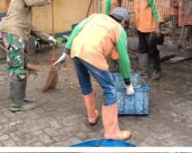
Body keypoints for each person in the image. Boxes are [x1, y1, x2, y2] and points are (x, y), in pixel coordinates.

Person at [54, 7, 134, 140]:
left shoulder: (95, 16)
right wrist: (128, 82)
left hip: (76, 49)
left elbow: (75, 30)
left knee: (85, 84)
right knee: (110, 90)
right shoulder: (119, 29)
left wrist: (66, 51)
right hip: (92, 52)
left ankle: (92, 116)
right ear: (124, 20)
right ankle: (112, 132)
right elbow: (124, 59)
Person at [0, 0, 56, 112]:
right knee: (17, 67)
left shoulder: (24, 6)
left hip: (17, 33)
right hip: (14, 33)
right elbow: (33, 0)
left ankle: (20, 98)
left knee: (20, 66)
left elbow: (30, 27)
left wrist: (47, 38)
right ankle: (16, 104)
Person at [129, 0, 164, 80]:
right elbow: (137, 12)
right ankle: (143, 71)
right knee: (142, 49)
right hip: (141, 28)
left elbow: (156, 10)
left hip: (151, 28)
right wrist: (135, 26)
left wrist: (158, 27)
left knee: (152, 50)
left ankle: (156, 70)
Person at [92, 0, 119, 72]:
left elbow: (104, 17)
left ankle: (112, 68)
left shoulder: (105, 1)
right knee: (115, 48)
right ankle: (115, 66)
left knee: (110, 49)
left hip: (109, 29)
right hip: (115, 27)